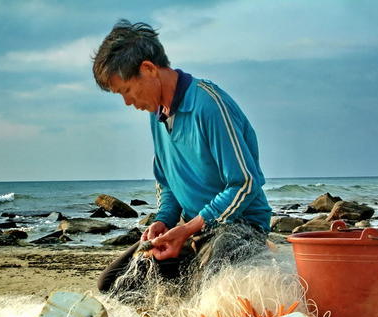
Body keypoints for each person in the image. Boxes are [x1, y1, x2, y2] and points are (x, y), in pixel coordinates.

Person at [92, 20, 272, 294]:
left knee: (210, 288)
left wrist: (187, 229)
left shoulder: (208, 104)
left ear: (149, 69)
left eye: (126, 90)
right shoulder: (156, 116)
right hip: (191, 229)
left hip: (240, 226)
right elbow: (167, 182)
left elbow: (244, 182)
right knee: (113, 284)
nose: (128, 102)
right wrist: (163, 221)